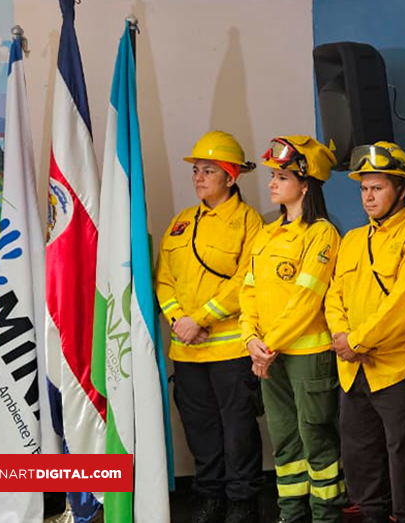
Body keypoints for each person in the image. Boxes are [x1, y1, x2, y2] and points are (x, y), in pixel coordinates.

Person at [324, 141, 405, 523]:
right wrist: (342, 336)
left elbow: (403, 305)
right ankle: (373, 516)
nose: (368, 197)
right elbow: (334, 294)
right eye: (364, 188)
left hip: (398, 369)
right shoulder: (354, 240)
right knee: (359, 455)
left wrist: (356, 341)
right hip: (353, 370)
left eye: (378, 188)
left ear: (402, 190)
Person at [155, 130, 264, 523]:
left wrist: (199, 319)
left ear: (231, 177)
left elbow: (247, 281)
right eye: (197, 170)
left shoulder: (249, 223)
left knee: (238, 432)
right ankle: (210, 496)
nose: (199, 177)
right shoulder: (181, 223)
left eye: (209, 170)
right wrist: (178, 321)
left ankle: (242, 501)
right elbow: (163, 278)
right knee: (200, 431)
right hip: (186, 350)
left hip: (231, 351)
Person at [239, 136, 345, 523]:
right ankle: (291, 513)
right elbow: (247, 292)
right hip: (270, 356)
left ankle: (325, 515)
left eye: (281, 177)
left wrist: (266, 345)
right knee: (284, 440)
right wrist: (251, 339)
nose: (272, 184)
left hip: (307, 357)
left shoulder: (321, 235)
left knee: (315, 438)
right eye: (272, 176)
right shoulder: (266, 234)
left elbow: (305, 302)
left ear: (305, 184)